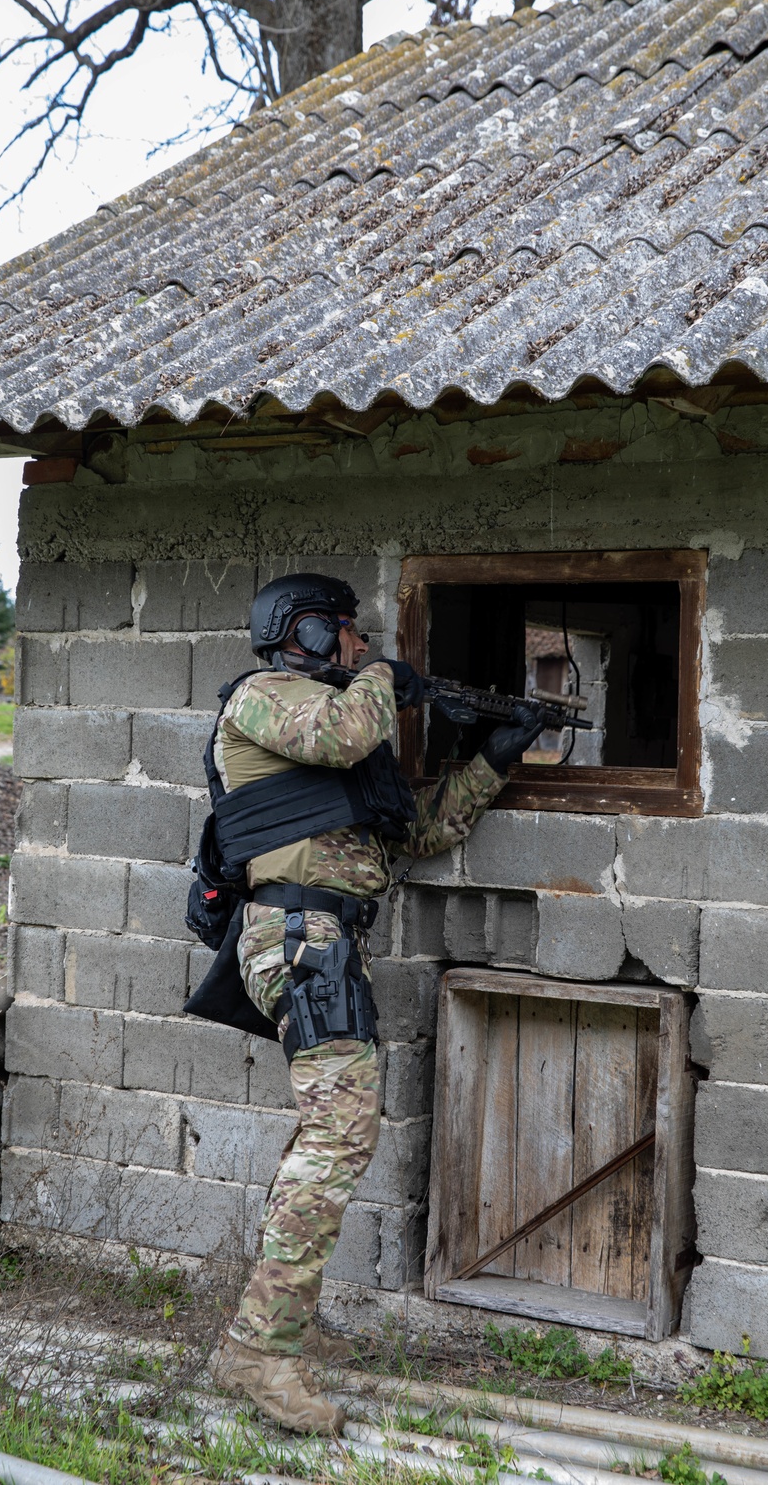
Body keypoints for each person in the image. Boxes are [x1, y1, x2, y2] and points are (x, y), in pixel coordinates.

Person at [204, 572, 545, 1432]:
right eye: (349, 634)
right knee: (339, 1136)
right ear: (308, 635)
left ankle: (270, 1332)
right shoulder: (263, 700)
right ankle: (258, 1351)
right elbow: (351, 729)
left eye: (360, 640)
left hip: (327, 940)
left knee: (331, 1136)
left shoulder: (343, 743)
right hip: (297, 938)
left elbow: (419, 834)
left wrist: (497, 756)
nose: (360, 647)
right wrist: (390, 678)